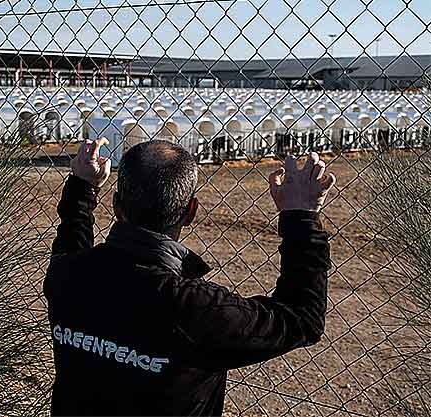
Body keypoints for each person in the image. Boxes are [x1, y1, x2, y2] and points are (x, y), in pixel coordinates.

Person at [44, 138, 335, 416]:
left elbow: (71, 243)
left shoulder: (66, 274)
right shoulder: (195, 308)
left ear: (116, 206)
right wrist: (300, 217)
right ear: (190, 212)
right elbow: (301, 319)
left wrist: (82, 188)